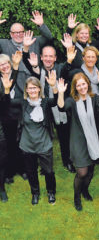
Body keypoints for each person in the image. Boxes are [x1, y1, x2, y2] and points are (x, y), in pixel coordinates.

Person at [21, 31, 75, 173]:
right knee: (44, 136)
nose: (48, 59)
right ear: (41, 57)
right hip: (43, 109)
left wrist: (69, 57)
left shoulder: (59, 69)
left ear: (55, 58)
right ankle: (44, 165)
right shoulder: (36, 69)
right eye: (45, 56)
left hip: (58, 107)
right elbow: (26, 62)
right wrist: (25, 48)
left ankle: (67, 161)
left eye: (51, 56)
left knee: (64, 136)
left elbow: (67, 67)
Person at [57, 73, 99, 211]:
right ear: (75, 87)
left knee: (91, 170)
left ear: (88, 84)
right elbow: (61, 107)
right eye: (78, 85)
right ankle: (77, 198)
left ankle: (85, 191)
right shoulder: (72, 100)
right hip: (78, 140)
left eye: (84, 83)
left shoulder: (94, 98)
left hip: (93, 139)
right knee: (82, 172)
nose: (82, 87)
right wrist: (61, 93)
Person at [5, 71, 58, 205]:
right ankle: (35, 193)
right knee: (31, 172)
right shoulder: (22, 103)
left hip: (44, 144)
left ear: (39, 89)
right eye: (30, 88)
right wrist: (7, 89)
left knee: (49, 171)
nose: (32, 90)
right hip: (27, 144)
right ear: (26, 90)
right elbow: (7, 103)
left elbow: (56, 101)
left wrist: (54, 87)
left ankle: (51, 192)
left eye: (35, 87)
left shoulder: (45, 102)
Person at [0, 52, 27, 183]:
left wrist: (16, 67)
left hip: (19, 115)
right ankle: (9, 172)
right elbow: (4, 100)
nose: (4, 66)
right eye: (1, 65)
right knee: (10, 145)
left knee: (21, 144)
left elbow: (13, 81)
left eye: (6, 63)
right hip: (5, 117)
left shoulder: (17, 75)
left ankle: (22, 169)